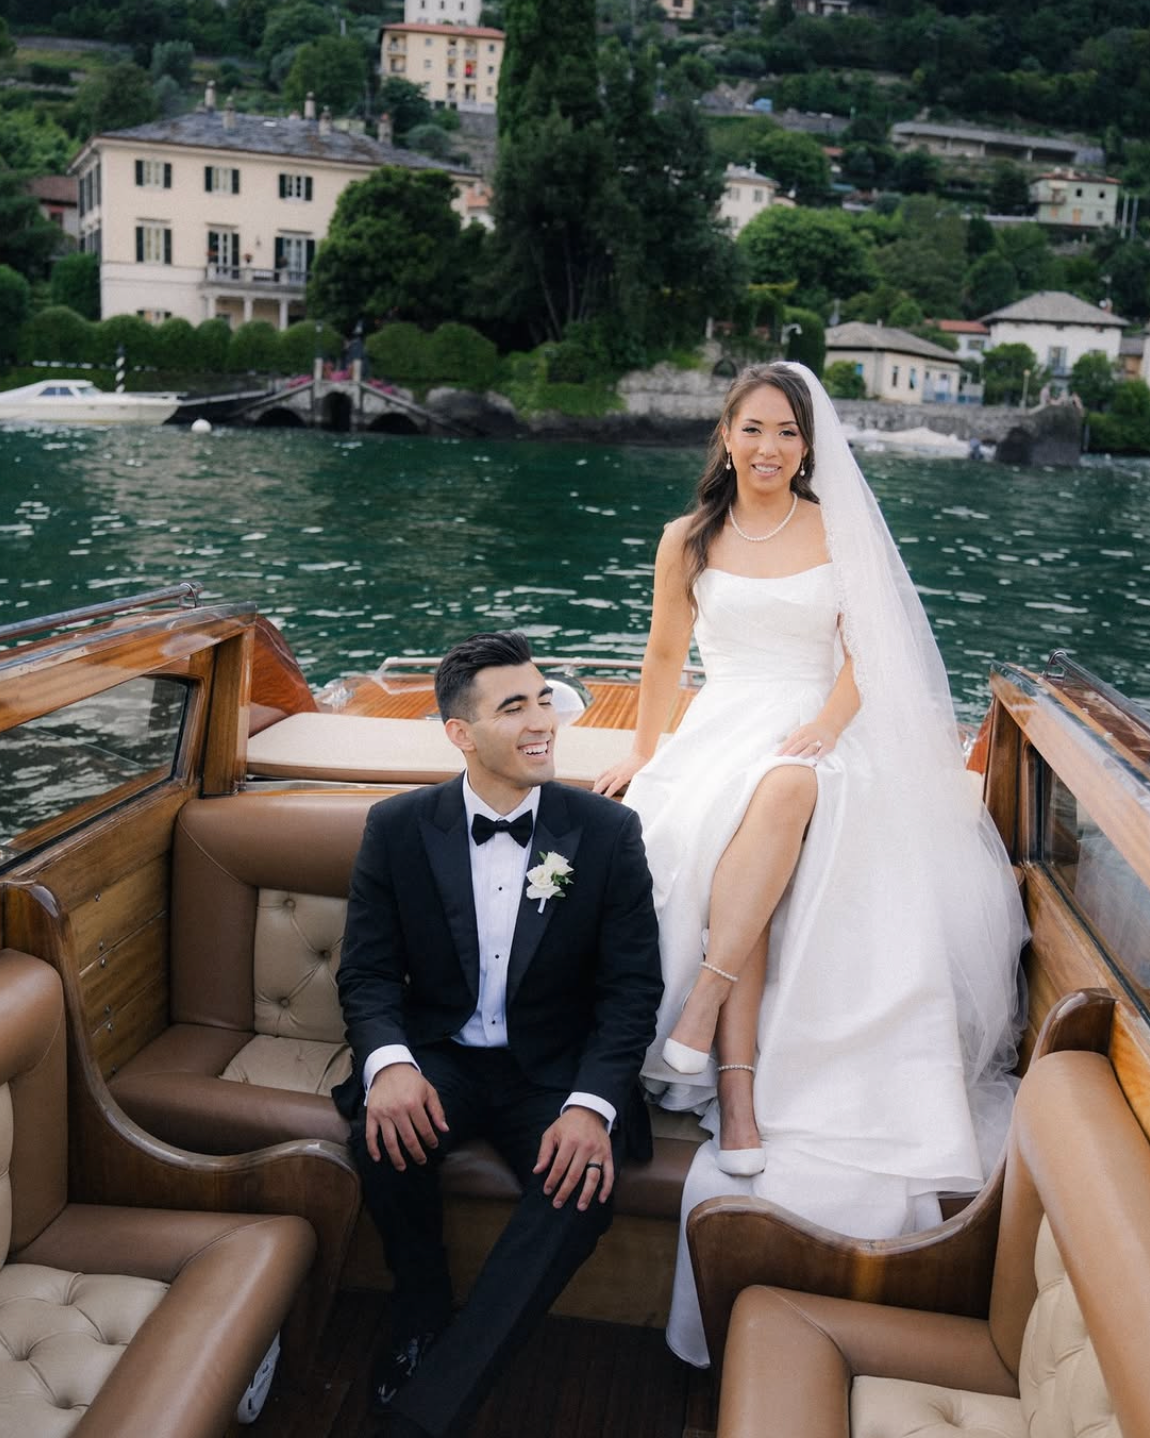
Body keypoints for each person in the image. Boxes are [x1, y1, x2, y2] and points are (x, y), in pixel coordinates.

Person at [595, 362, 1027, 1366]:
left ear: (807, 443)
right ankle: (719, 1056)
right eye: (751, 429)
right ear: (726, 435)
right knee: (697, 821)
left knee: (787, 791)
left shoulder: (840, 530)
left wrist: (820, 734)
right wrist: (645, 752)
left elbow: (865, 659)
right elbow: (664, 656)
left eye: (785, 432)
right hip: (721, 723)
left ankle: (707, 1021)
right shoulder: (687, 540)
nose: (768, 448)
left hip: (826, 732)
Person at [334, 630, 663, 1437]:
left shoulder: (607, 832)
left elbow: (632, 991)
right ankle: (418, 1309)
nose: (541, 719)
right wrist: (389, 1063)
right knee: (383, 1134)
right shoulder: (399, 827)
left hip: (555, 1068)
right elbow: (368, 974)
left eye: (545, 698)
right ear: (460, 733)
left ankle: (426, 1412)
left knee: (580, 1186)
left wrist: (590, 1105)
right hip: (441, 1052)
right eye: (514, 706)